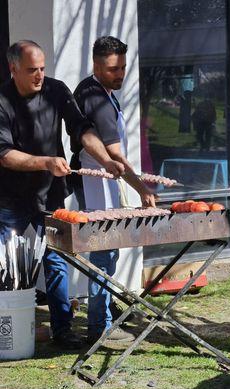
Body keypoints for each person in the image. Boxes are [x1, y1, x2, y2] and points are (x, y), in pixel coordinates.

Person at [0, 40, 124, 349]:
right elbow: (3, 154)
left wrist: (107, 159)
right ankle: (9, 331)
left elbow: (82, 129)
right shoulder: (2, 101)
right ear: (13, 69)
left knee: (56, 262)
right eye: (32, 70)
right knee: (6, 265)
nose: (39, 75)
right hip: (10, 198)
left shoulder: (56, 90)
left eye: (42, 68)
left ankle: (62, 330)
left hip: (51, 196)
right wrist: (45, 162)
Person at [73, 36, 156, 344]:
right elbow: (115, 153)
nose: (119, 74)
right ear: (97, 65)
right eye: (112, 69)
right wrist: (142, 189)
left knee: (107, 251)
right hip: (95, 178)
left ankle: (103, 312)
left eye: (122, 67)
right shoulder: (95, 98)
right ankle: (100, 326)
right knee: (103, 252)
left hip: (101, 178)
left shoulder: (94, 89)